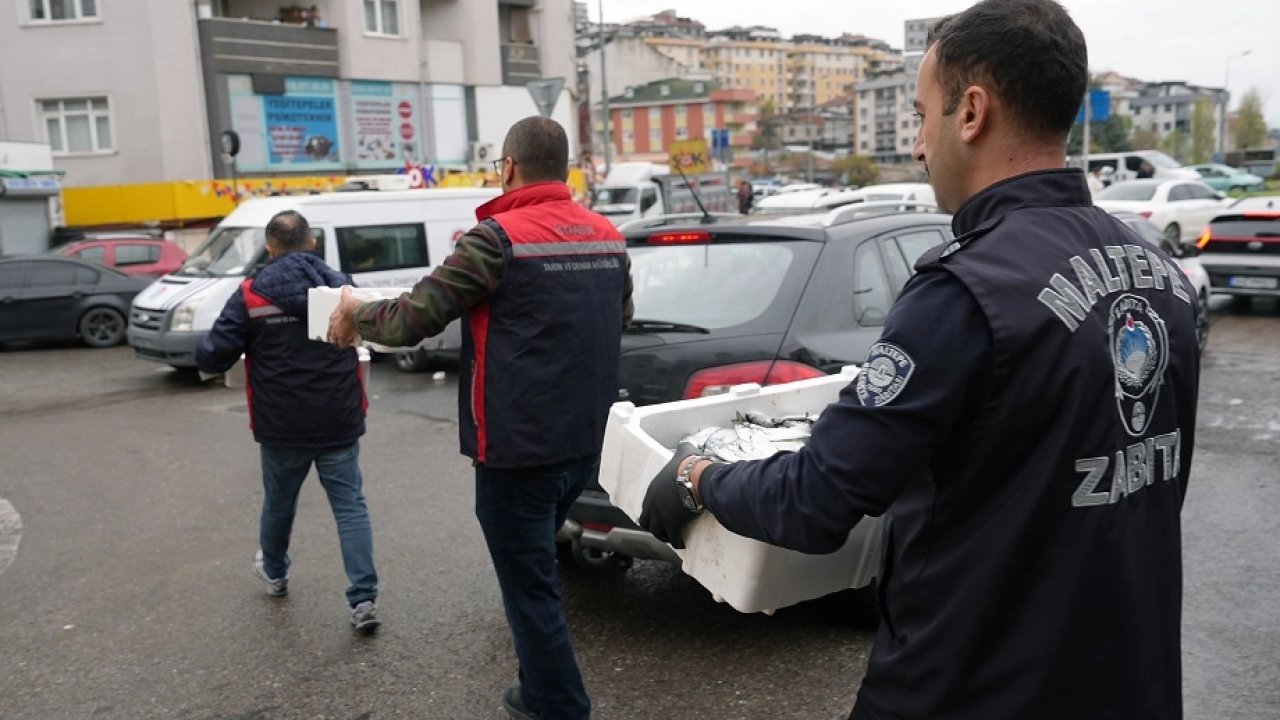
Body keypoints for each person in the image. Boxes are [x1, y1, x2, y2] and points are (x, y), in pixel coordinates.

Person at [638, 1, 1200, 718]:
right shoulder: (1158, 273)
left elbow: (817, 502)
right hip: (1131, 682)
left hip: (972, 687)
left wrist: (697, 477)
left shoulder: (965, 289)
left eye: (921, 113)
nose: (917, 145)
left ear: (971, 112)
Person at [327, 116, 632, 720]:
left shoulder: (495, 238)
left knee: (530, 585)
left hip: (517, 450)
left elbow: (413, 319)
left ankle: (557, 704)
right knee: (535, 569)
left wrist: (354, 314)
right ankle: (537, 682)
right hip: (584, 442)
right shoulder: (607, 235)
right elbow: (617, 318)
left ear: (510, 167)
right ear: (564, 168)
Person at [196, 210, 381, 633]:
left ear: (270, 248)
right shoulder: (342, 288)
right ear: (312, 244)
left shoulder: (251, 295)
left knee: (279, 503)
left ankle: (276, 574)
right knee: (351, 508)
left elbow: (213, 356)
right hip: (338, 416)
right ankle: (364, 599)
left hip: (281, 424)